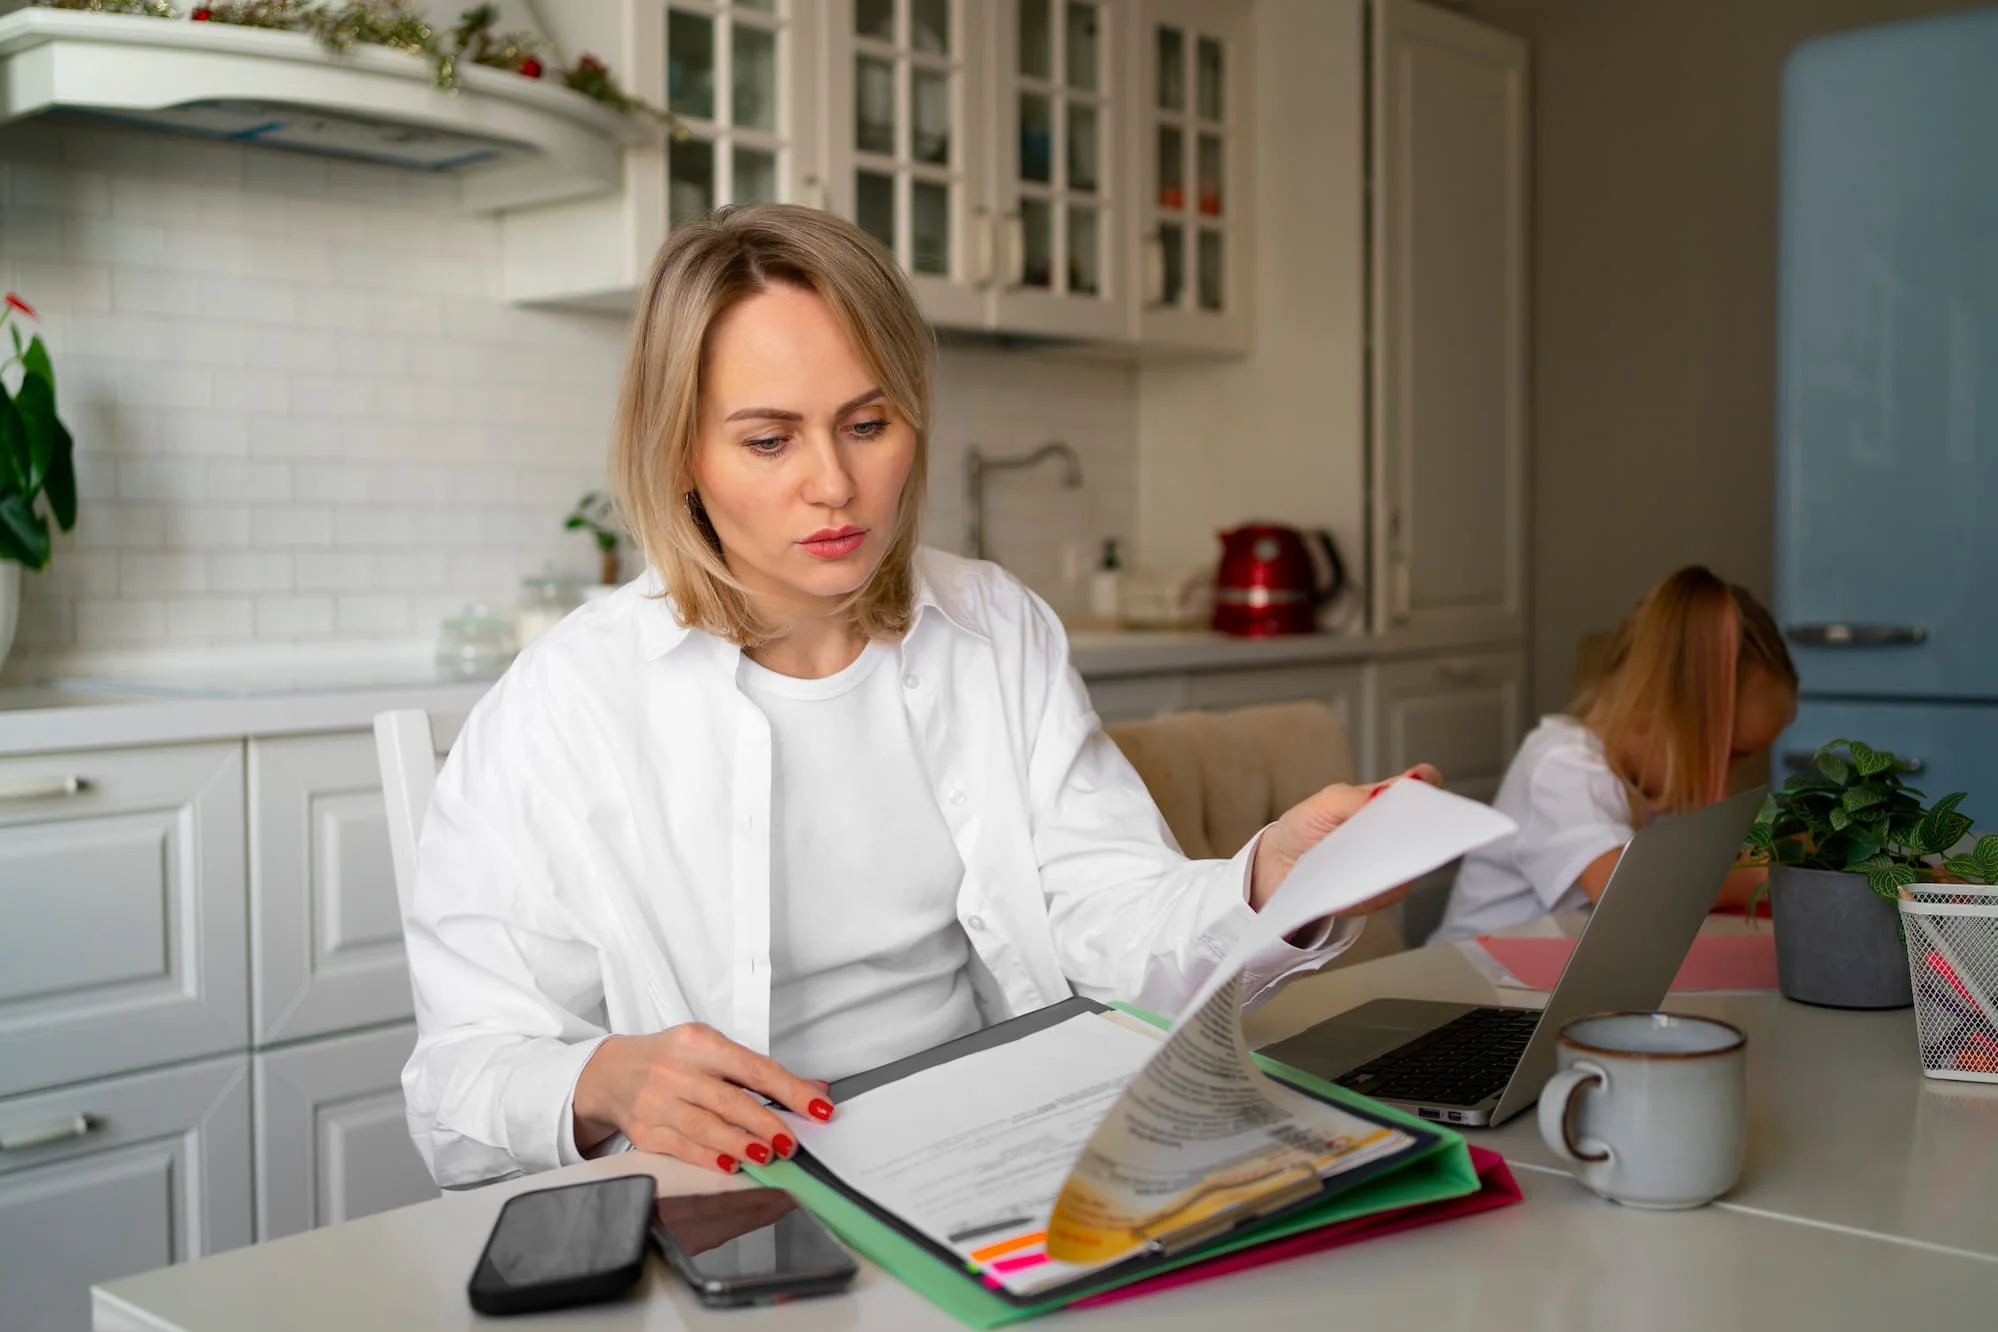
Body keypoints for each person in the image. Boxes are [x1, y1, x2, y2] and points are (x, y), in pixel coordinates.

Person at [402, 204, 1438, 1189]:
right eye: (769, 440)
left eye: (867, 422)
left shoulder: (993, 627)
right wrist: (604, 1080)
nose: (836, 486)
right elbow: (457, 1083)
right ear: (682, 454)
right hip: (742, 1191)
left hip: (996, 1147)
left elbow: (1103, 908)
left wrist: (1266, 881)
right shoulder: (567, 701)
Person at [1429, 566, 1798, 945]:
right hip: (1468, 986)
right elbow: (1627, 894)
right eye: (1729, 754)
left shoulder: (1656, 790)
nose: (1729, 774)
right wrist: (1760, 877)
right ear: (1661, 709)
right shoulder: (1560, 768)